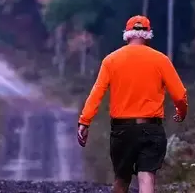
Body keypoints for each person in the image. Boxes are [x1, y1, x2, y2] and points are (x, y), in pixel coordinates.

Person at [76, 15, 188, 193]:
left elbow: (96, 93)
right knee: (147, 176)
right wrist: (181, 112)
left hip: (122, 130)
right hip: (151, 128)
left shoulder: (111, 60)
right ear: (148, 35)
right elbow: (180, 95)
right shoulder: (160, 60)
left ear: (127, 34)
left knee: (122, 179)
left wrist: (85, 121)